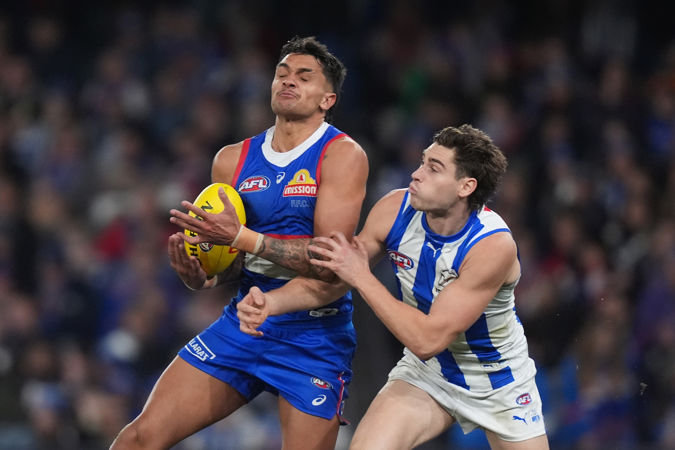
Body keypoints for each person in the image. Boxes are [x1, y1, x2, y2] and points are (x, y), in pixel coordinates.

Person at [110, 36, 368, 450]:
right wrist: (204, 277)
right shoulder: (232, 159)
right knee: (138, 440)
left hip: (315, 336)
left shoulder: (341, 155)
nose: (288, 81)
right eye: (282, 74)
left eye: (304, 77)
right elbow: (235, 260)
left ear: (328, 100)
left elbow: (329, 263)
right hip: (246, 323)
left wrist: (242, 237)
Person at [238, 124, 550, 449]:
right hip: (428, 374)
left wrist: (361, 276)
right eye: (422, 162)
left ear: (465, 186)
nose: (416, 173)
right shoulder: (394, 209)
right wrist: (272, 303)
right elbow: (338, 277)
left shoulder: (491, 246)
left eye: (433, 168)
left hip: (499, 383)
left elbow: (427, 339)